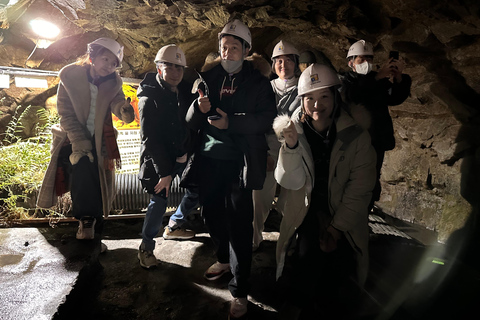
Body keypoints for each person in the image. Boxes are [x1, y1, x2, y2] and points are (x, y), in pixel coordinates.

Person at [183, 19, 276, 319]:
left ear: (246, 50)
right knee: (212, 215)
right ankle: (224, 259)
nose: (228, 51)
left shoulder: (258, 82)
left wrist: (230, 123)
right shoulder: (207, 77)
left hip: (240, 161)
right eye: (224, 46)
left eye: (234, 46)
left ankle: (240, 289)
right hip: (210, 160)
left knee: (239, 224)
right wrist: (200, 109)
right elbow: (190, 119)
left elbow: (266, 119)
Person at [273, 64, 376, 319]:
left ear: (335, 97)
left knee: (338, 261)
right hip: (306, 205)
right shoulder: (294, 131)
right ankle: (302, 301)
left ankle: (329, 304)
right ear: (302, 101)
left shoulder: (357, 138)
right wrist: (291, 148)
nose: (316, 105)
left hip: (341, 208)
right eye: (309, 98)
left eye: (324, 97)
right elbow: (288, 180)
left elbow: (360, 189)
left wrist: (337, 226)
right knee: (307, 253)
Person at [36, 37, 135, 248]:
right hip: (74, 138)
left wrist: (124, 110)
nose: (108, 66)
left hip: (100, 139)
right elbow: (66, 113)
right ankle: (85, 221)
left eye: (113, 63)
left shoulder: (114, 82)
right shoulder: (70, 77)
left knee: (100, 182)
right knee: (82, 174)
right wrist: (79, 140)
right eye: (105, 59)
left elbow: (117, 101)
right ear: (92, 56)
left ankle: (96, 223)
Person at [137, 44, 196, 268]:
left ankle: (174, 225)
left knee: (197, 187)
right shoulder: (148, 97)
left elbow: (186, 125)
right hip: (158, 162)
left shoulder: (182, 91)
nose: (174, 73)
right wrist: (165, 173)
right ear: (159, 68)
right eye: (168, 67)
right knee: (158, 201)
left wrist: (185, 154)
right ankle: (146, 248)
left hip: (181, 156)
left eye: (178, 68)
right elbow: (150, 139)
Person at [340, 40, 411, 211]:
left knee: (371, 179)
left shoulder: (377, 80)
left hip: (375, 141)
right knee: (349, 178)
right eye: (361, 59)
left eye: (369, 59)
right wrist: (379, 77)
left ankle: (364, 214)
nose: (366, 63)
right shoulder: (346, 80)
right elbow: (353, 95)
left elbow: (394, 98)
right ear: (351, 62)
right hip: (353, 142)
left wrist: (399, 79)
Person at [252, 40, 301, 251]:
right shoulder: (266, 88)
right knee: (259, 201)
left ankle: (290, 239)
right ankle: (253, 240)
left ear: (295, 63)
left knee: (290, 202)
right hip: (269, 152)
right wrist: (263, 153)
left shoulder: (304, 88)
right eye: (279, 61)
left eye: (288, 60)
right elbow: (257, 123)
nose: (283, 65)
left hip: (294, 152)